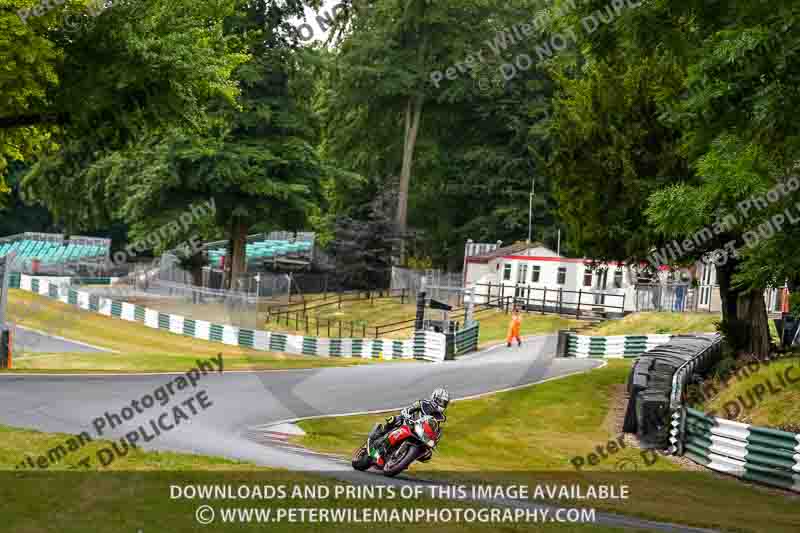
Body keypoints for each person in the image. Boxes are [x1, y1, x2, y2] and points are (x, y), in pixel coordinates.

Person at [373, 388, 450, 458]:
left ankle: (403, 459)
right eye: (441, 402)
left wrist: (434, 440)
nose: (442, 405)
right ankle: (380, 433)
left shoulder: (441, 417)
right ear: (434, 397)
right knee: (393, 419)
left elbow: (435, 429)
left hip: (420, 432)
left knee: (427, 455)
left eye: (444, 403)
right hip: (409, 421)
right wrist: (407, 412)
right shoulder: (424, 403)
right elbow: (412, 407)